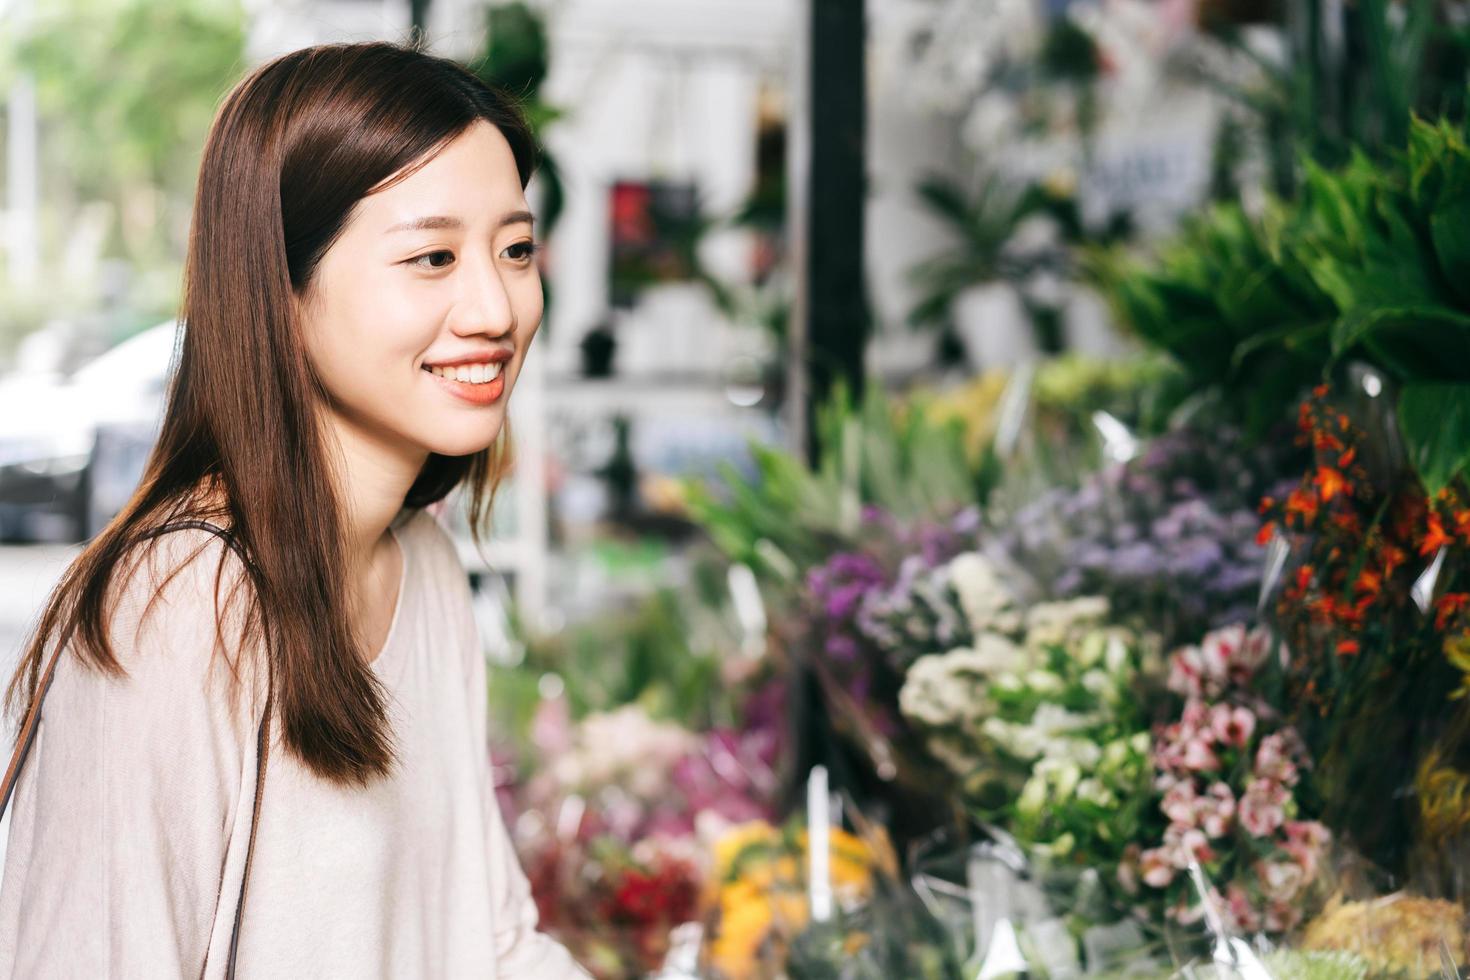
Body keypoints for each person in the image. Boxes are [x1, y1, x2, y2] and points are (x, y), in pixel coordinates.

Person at [0, 41, 591, 978]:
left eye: (515, 249)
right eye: (432, 256)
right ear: (281, 284)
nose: (496, 306)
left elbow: (490, 942)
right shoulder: (176, 608)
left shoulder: (424, 570)